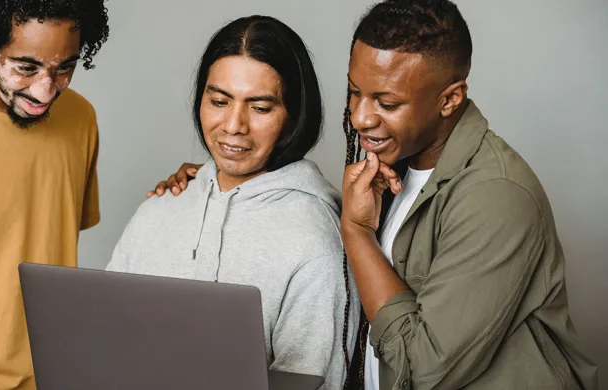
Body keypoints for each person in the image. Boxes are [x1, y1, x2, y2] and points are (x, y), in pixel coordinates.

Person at [154, 1, 598, 389]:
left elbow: (423, 370)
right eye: (354, 92)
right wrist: (215, 183)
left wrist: (358, 233)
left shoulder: (495, 197)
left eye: (387, 103)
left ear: (450, 100)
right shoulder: (392, 163)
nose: (362, 117)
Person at [106, 15, 359, 390]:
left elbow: (318, 380)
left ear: (293, 116)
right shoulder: (158, 210)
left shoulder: (315, 240)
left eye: (260, 107)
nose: (233, 125)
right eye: (219, 101)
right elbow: (102, 341)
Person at [0, 0, 109, 388]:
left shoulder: (81, 119)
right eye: (25, 67)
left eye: (65, 68)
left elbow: (47, 239)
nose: (45, 91)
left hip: (55, 375)